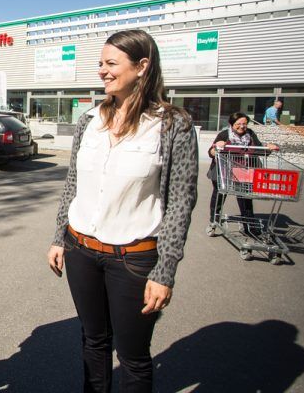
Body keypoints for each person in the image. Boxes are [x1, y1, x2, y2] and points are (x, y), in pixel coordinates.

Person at [47, 29, 199, 392]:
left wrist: (165, 271)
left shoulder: (172, 125)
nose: (102, 70)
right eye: (100, 63)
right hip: (80, 250)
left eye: (111, 63)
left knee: (133, 356)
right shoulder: (89, 121)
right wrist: (58, 237)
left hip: (134, 259)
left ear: (142, 66)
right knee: (93, 341)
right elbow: (73, 184)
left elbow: (181, 203)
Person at [207, 112, 279, 231]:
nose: (242, 126)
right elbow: (211, 152)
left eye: (244, 124)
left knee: (245, 197)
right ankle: (214, 220)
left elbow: (259, 149)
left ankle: (249, 224)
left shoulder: (250, 134)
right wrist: (216, 147)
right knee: (219, 195)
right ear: (231, 124)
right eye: (238, 124)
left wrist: (268, 148)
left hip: (243, 172)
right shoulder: (224, 134)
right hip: (224, 171)